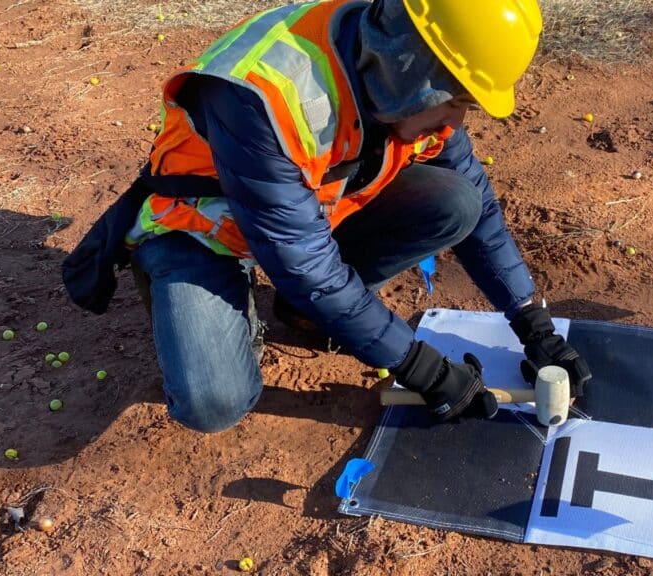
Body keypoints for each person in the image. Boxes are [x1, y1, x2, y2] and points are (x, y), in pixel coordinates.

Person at [63, 0, 591, 433]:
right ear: (412, 70)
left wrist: (532, 323)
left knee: (456, 201)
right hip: (201, 228)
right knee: (213, 404)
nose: (456, 119)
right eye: (456, 100)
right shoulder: (265, 94)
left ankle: (305, 312)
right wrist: (422, 369)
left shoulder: (393, 76)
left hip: (304, 215)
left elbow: (476, 200)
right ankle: (185, 284)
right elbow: (307, 265)